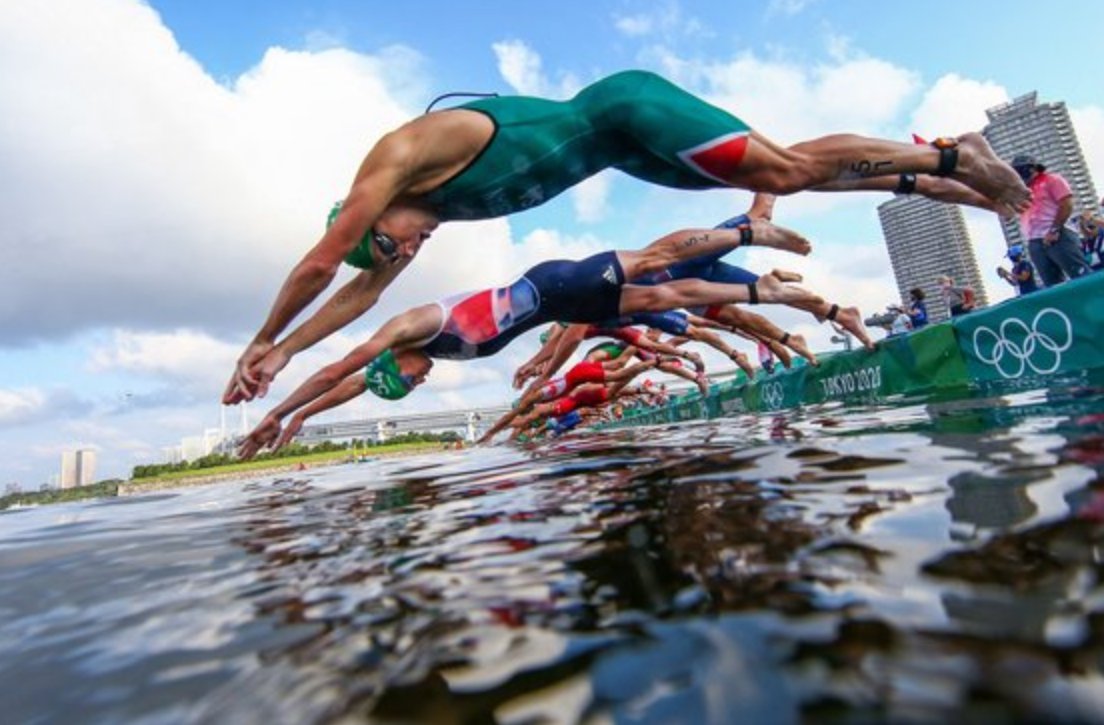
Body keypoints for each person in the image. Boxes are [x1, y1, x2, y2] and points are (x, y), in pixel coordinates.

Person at [224, 69, 1031, 405]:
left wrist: (264, 335)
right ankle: (937, 180)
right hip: (628, 154)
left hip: (626, 109)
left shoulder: (399, 158)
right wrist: (285, 355)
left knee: (779, 171)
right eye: (399, 255)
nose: (409, 252)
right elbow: (357, 293)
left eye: (392, 244)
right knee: (779, 187)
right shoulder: (427, 219)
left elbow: (327, 265)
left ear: (369, 216)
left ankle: (957, 154)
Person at [237, 225, 828, 457]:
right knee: (667, 302)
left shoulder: (410, 328)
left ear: (400, 361)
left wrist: (285, 398)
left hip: (553, 284)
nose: (423, 380)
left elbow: (340, 365)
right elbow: (345, 386)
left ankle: (749, 230)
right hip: (571, 308)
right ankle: (764, 290)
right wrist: (290, 421)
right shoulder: (422, 354)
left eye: (411, 379)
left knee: (654, 263)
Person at [1010, 153, 1088, 287]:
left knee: (1079, 274)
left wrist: (1055, 229)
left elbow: (1066, 204)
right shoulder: (1024, 191)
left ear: (1032, 168)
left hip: (1058, 235)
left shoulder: (1052, 179)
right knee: (1052, 283)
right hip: (1034, 240)